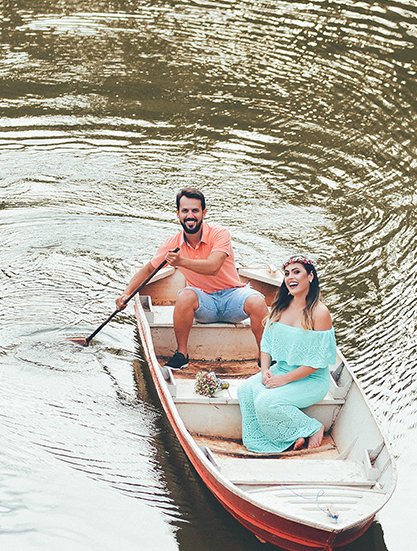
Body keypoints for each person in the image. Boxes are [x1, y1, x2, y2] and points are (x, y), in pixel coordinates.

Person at [116, 188, 267, 369]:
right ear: (178, 214)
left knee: (258, 301)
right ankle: (182, 355)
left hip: (232, 298)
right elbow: (148, 269)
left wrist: (181, 261)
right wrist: (126, 294)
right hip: (204, 304)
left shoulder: (220, 234)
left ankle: (264, 357)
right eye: (185, 211)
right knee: (185, 295)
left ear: (203, 213)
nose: (190, 216)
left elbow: (213, 267)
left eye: (195, 211)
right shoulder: (172, 243)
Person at [237, 256, 337, 454]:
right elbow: (266, 345)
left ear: (310, 276)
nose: (290, 276)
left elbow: (318, 362)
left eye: (297, 271)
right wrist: (265, 370)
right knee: (245, 390)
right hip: (280, 369)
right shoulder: (281, 307)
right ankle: (287, 435)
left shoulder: (320, 313)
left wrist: (284, 379)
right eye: (287, 273)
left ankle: (312, 427)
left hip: (311, 379)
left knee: (266, 401)